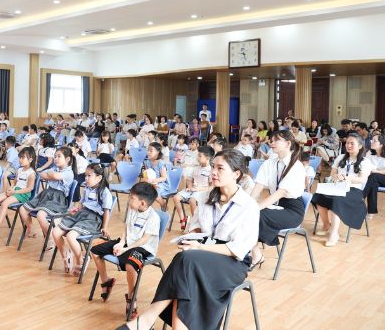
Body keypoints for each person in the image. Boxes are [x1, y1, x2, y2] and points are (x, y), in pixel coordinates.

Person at [116, 150, 259, 330]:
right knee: (186, 266)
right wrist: (189, 238)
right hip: (203, 254)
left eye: (220, 168)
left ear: (236, 174)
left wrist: (199, 248)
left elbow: (237, 250)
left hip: (232, 262)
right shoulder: (206, 197)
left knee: (186, 261)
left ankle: (146, 320)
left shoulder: (248, 206)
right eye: (213, 167)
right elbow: (197, 228)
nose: (213, 172)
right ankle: (154, 323)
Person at [91, 182, 160, 320]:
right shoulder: (132, 209)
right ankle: (106, 282)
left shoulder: (153, 217)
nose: (129, 200)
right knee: (95, 250)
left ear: (142, 203)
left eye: (132, 198)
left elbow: (145, 239)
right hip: (127, 243)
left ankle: (131, 297)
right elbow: (126, 228)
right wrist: (121, 243)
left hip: (143, 248)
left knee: (130, 265)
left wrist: (125, 249)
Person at [248, 130, 305, 267]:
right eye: (271, 140)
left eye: (276, 140)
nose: (271, 143)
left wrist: (255, 208)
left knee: (255, 214)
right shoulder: (270, 163)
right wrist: (247, 204)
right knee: (245, 212)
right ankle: (253, 252)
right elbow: (258, 186)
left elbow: (280, 193)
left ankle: (254, 254)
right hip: (275, 205)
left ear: (287, 144)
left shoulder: (296, 166)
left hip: (292, 210)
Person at [311, 132, 373, 246]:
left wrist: (346, 178)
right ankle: (326, 225)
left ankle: (334, 233)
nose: (348, 145)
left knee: (337, 200)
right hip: (338, 188)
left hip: (354, 190)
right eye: (347, 143)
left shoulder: (365, 161)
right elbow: (333, 173)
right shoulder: (340, 157)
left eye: (352, 143)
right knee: (318, 196)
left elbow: (361, 179)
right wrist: (335, 177)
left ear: (360, 146)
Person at [52, 163, 112, 276]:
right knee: (55, 232)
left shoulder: (104, 192)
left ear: (99, 178)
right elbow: (81, 203)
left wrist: (105, 227)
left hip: (93, 219)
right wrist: (76, 208)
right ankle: (65, 256)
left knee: (71, 236)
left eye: (89, 176)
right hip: (81, 215)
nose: (86, 178)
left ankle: (80, 260)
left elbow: (106, 211)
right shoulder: (87, 188)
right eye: (85, 175)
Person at [18, 146, 76, 239]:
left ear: (67, 159)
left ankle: (51, 239)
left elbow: (55, 176)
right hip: (46, 195)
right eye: (55, 156)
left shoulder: (69, 172)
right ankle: (30, 230)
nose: (55, 159)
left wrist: (50, 174)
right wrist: (51, 175)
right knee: (22, 209)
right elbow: (41, 174)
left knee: (40, 215)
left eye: (59, 156)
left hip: (58, 199)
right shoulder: (54, 168)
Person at [0, 147, 37, 239]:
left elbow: (29, 189)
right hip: (15, 191)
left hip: (23, 194)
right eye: (19, 157)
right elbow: (15, 183)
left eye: (23, 158)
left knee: (4, 203)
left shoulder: (31, 173)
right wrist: (11, 188)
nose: (20, 160)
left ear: (30, 159)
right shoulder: (19, 170)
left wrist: (14, 191)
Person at [172, 146, 214, 230]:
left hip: (202, 191)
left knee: (192, 200)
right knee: (176, 197)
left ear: (207, 158)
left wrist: (197, 189)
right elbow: (189, 180)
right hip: (192, 190)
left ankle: (195, 222)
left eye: (200, 156)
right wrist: (190, 187)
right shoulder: (196, 168)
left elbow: (211, 187)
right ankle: (183, 219)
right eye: (198, 155)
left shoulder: (210, 170)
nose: (197, 157)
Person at [364, 134, 385, 217]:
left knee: (374, 176)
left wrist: (375, 171)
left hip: (381, 178)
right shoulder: (369, 153)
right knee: (373, 183)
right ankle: (371, 211)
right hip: (373, 178)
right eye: (371, 140)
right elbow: (365, 166)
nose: (371, 142)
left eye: (375, 141)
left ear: (381, 144)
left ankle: (360, 197)